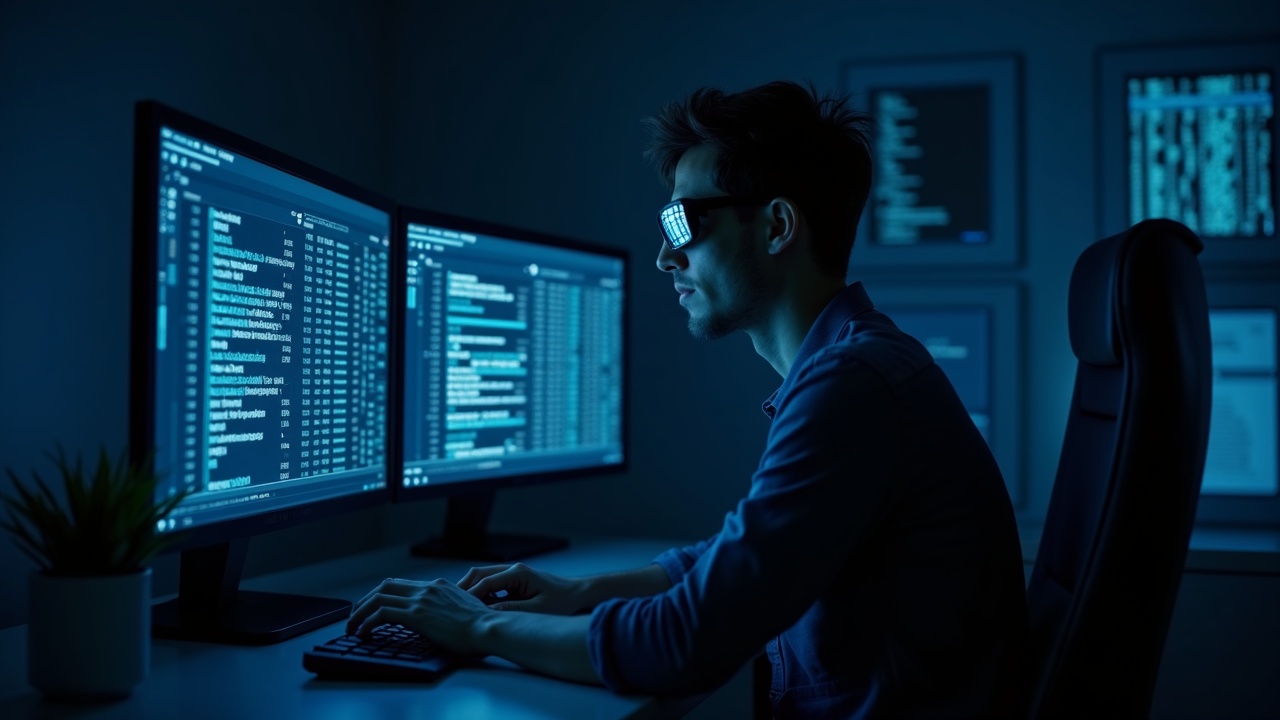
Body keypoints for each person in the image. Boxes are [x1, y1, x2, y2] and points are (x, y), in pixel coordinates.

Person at [348, 80, 1029, 718]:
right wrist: (578, 591)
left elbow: (684, 643)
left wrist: (478, 626)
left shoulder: (854, 386)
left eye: (682, 222)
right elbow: (742, 556)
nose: (664, 257)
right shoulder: (858, 365)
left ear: (776, 225)